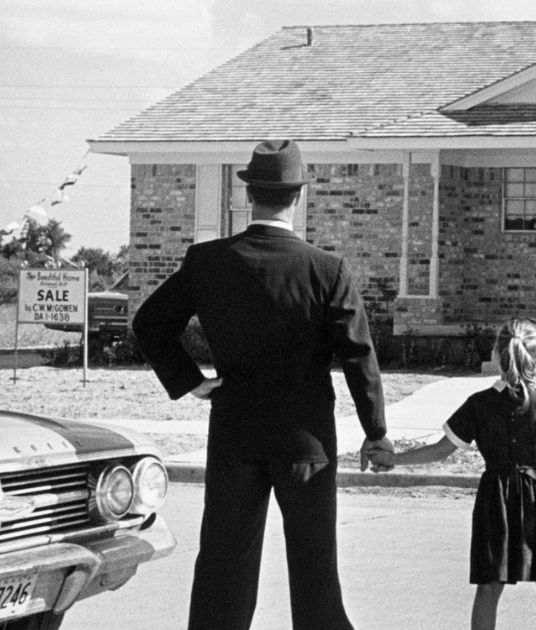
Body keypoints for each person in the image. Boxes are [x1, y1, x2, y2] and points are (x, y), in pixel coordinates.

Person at [133, 139, 395, 630]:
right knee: (316, 575)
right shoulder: (326, 270)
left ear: (249, 195)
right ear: (298, 196)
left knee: (222, 571)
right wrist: (376, 430)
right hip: (306, 441)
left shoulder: (207, 261)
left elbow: (149, 323)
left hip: (234, 434)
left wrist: (191, 382)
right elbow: (359, 355)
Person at [366, 318, 536, 630]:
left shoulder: (478, 404)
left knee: (489, 587)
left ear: (497, 354)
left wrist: (393, 459)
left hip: (496, 501)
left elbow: (441, 450)